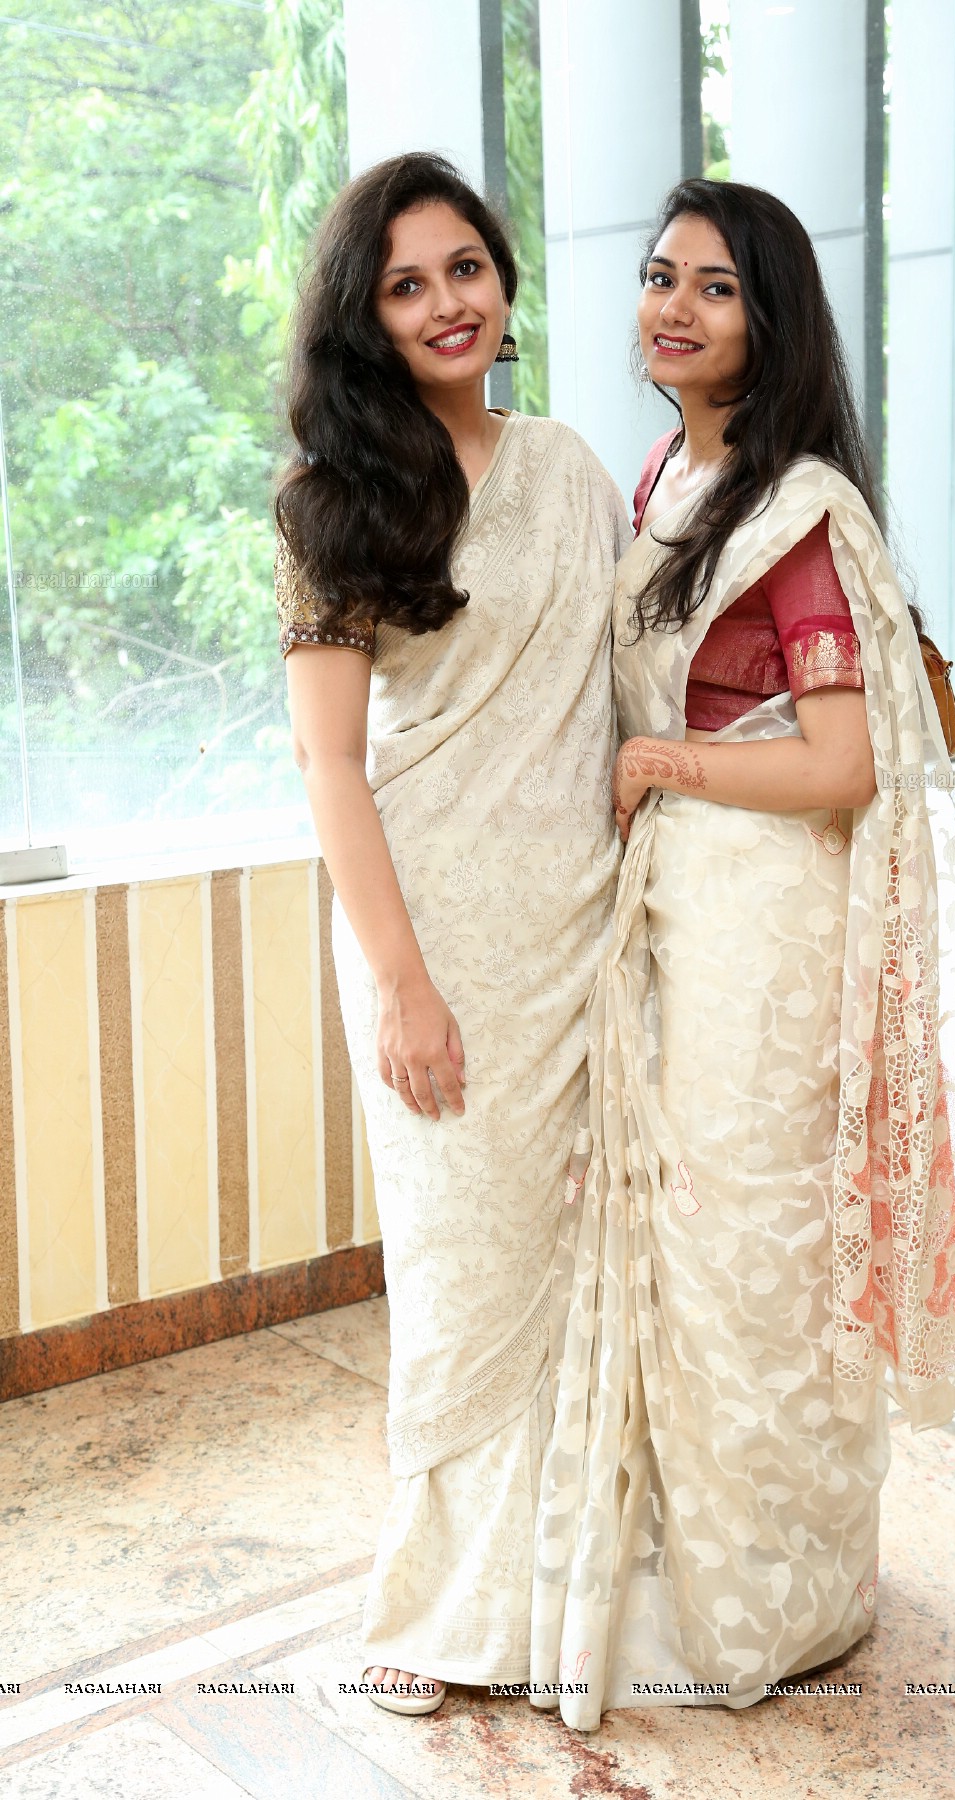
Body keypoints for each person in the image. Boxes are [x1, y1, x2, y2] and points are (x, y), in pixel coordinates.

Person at [531, 179, 955, 1731]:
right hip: (670, 909)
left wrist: (660, 771)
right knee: (671, 1232)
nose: (671, 308)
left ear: (772, 325)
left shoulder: (797, 509)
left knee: (756, 1249)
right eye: (657, 278)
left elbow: (842, 766)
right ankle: (685, 1557)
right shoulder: (659, 474)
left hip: (764, 919)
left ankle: (774, 1589)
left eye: (714, 288)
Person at [275, 152, 628, 1716]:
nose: (445, 304)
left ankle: (576, 1587)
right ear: (368, 314)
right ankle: (436, 1609)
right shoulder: (336, 502)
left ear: (505, 278)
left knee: (583, 1256)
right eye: (407, 283)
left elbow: (625, 694)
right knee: (460, 1272)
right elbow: (329, 761)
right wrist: (404, 989)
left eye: (465, 269)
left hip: (580, 928)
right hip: (428, 937)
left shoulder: (569, 468)